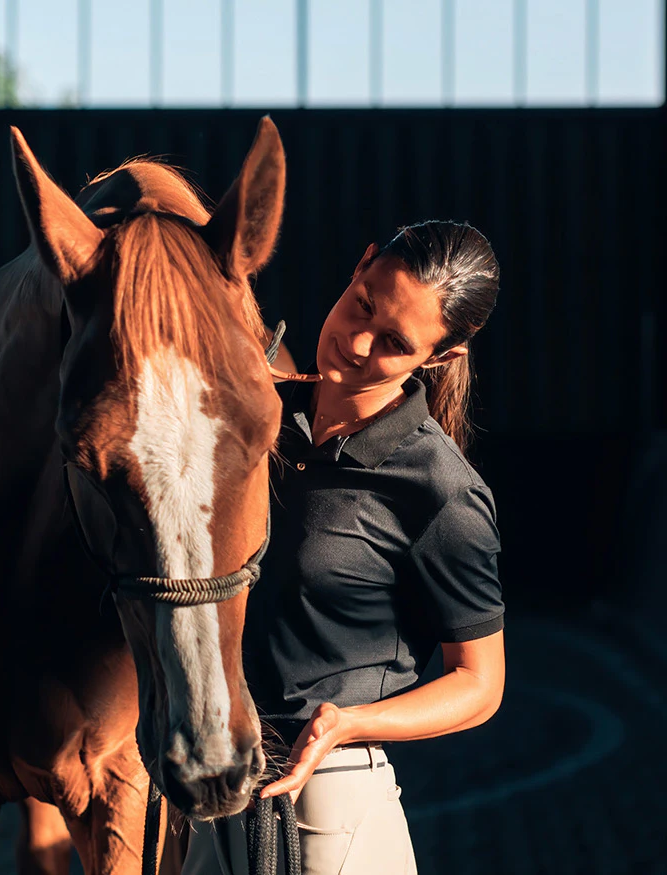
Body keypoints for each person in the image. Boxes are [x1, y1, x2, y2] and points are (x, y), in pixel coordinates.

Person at [185, 220, 506, 874]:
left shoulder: (439, 489)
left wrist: (349, 723)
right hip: (205, 785)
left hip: (326, 797)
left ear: (439, 358)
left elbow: (480, 682)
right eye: (363, 305)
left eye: (394, 342)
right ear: (361, 265)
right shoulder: (254, 419)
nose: (357, 342)